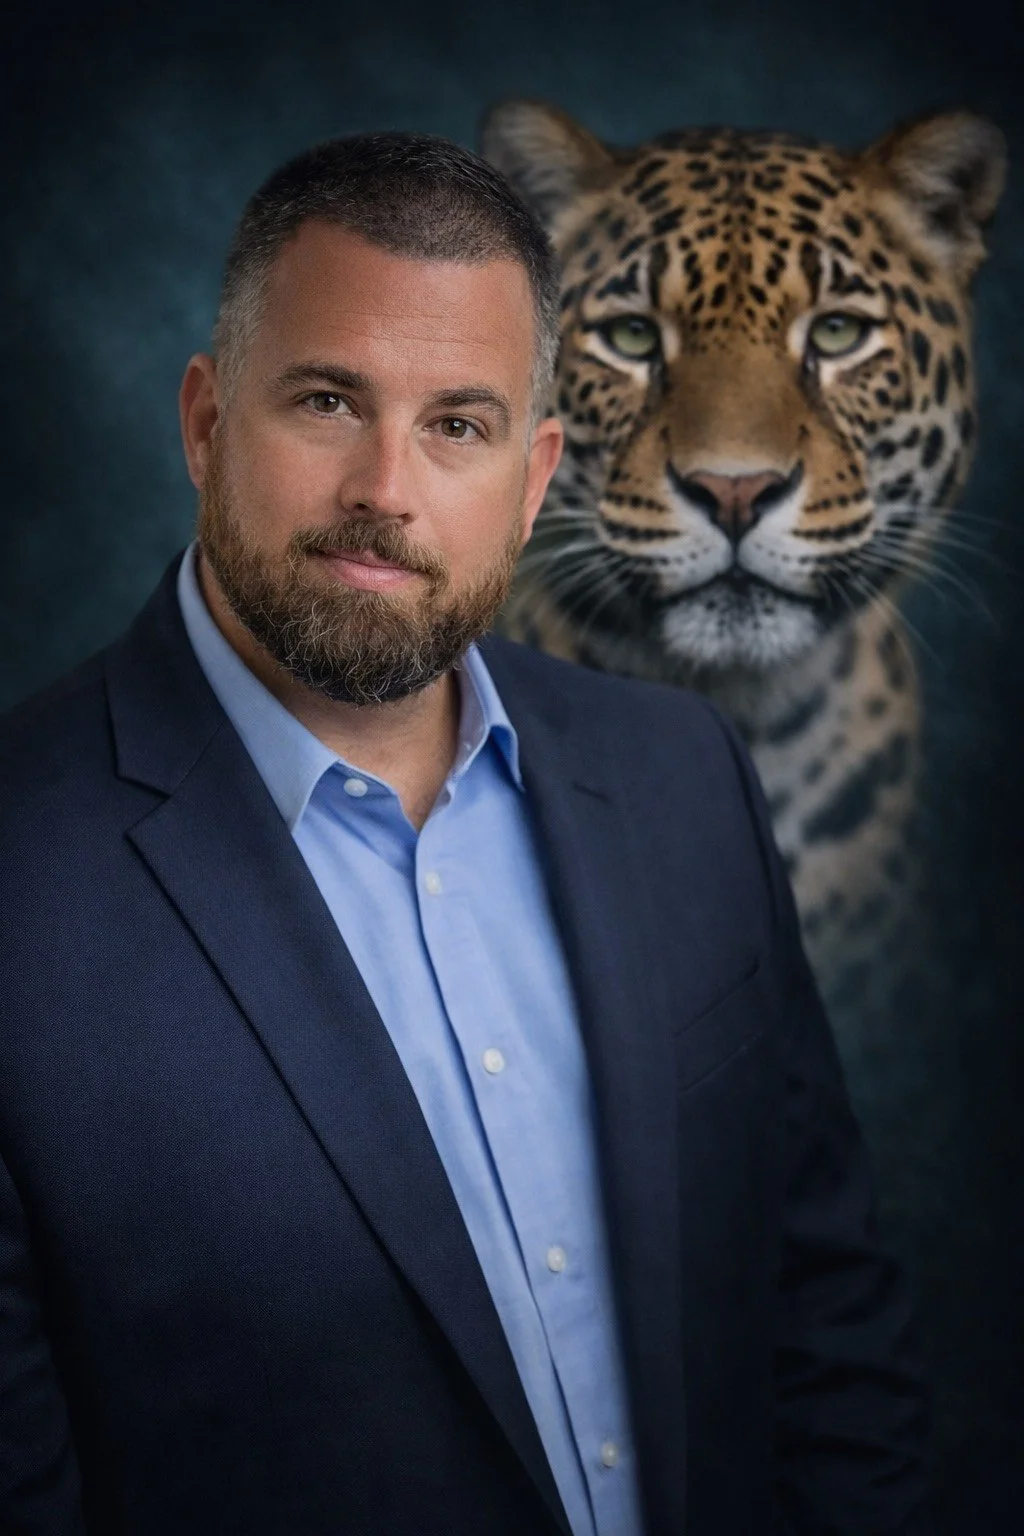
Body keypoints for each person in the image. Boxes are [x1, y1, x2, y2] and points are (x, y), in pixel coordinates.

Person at [0, 131, 930, 1536]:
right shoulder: (23, 872)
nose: (388, 487)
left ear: (538, 470)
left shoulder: (683, 780)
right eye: (326, 401)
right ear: (202, 424)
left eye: (459, 425)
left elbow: (826, 1330)